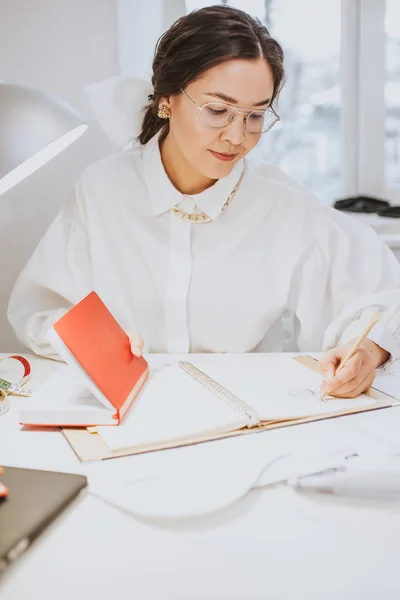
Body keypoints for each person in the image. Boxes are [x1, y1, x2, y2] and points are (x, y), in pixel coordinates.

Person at [7, 5, 400, 399]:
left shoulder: (285, 204)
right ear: (167, 100)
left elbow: (377, 298)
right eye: (217, 111)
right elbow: (42, 308)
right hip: (128, 419)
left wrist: (366, 349)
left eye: (255, 116)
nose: (236, 136)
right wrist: (99, 343)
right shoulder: (102, 190)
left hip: (247, 421)